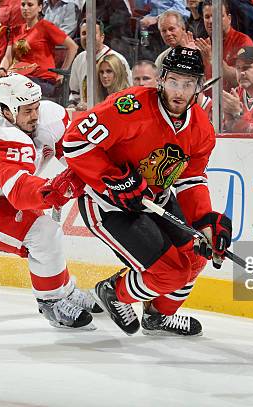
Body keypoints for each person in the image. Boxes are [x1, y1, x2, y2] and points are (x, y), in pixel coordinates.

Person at [62, 47, 232, 337]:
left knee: (195, 257)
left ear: (198, 87)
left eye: (188, 84)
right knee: (171, 272)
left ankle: (158, 316)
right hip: (109, 204)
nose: (180, 91)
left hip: (156, 199)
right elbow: (75, 142)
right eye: (175, 82)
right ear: (162, 79)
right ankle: (114, 291)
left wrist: (204, 221)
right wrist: (114, 179)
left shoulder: (202, 128)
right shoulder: (130, 107)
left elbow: (191, 180)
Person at [0, 73, 101, 329]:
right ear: (6, 110)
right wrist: (55, 190)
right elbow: (19, 192)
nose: (35, 115)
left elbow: (71, 154)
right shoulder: (0, 138)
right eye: (27, 111)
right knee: (43, 235)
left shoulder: (49, 115)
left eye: (36, 107)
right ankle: (52, 302)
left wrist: (95, 178)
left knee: (49, 235)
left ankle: (66, 290)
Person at [0, 0, 78, 96]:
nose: (26, 8)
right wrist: (2, 69)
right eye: (23, 5)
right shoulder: (15, 30)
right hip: (19, 77)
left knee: (15, 87)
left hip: (41, 80)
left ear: (40, 8)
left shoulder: (45, 26)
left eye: (30, 5)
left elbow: (73, 46)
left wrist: (62, 73)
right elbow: (8, 57)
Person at [68, 19, 131, 105]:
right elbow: (74, 93)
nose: (87, 37)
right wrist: (73, 105)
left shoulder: (118, 60)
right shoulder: (79, 59)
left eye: (92, 33)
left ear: (102, 37)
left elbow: (128, 92)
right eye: (84, 33)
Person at [195, 0, 253, 89]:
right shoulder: (203, 44)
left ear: (229, 18)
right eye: (207, 17)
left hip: (233, 100)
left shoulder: (243, 41)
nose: (211, 21)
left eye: (216, 16)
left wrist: (213, 59)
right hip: (206, 101)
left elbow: (242, 79)